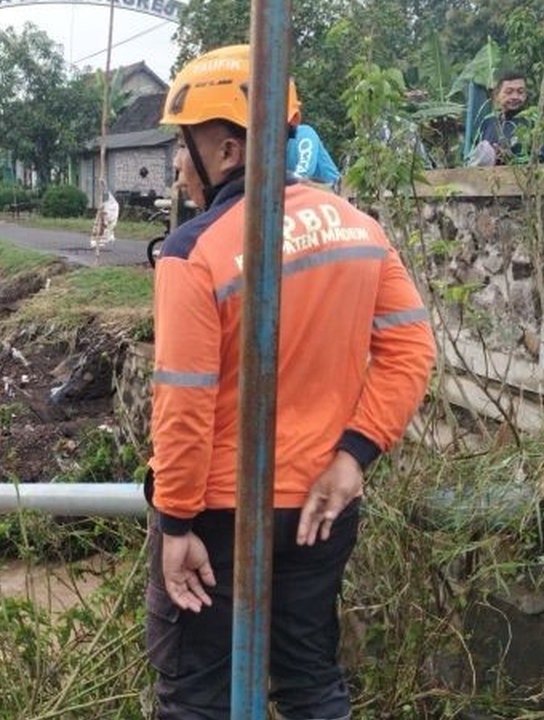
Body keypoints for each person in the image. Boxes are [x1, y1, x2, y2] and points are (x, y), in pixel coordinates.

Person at [146, 44, 436, 720]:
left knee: (195, 699)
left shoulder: (196, 251)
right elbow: (411, 347)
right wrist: (352, 458)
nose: (179, 167)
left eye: (182, 149)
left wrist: (176, 522)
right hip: (319, 504)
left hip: (218, 515)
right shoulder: (358, 229)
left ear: (223, 148)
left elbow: (183, 402)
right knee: (309, 682)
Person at [473, 69, 544, 165]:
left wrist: (512, 159)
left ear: (526, 95)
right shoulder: (488, 122)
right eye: (509, 92)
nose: (515, 97)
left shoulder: (533, 120)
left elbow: (543, 158)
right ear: (497, 95)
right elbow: (471, 156)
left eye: (520, 92)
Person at [285, 81, 341, 186]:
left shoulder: (305, 134)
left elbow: (304, 173)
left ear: (294, 118)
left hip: (328, 191)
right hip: (298, 192)